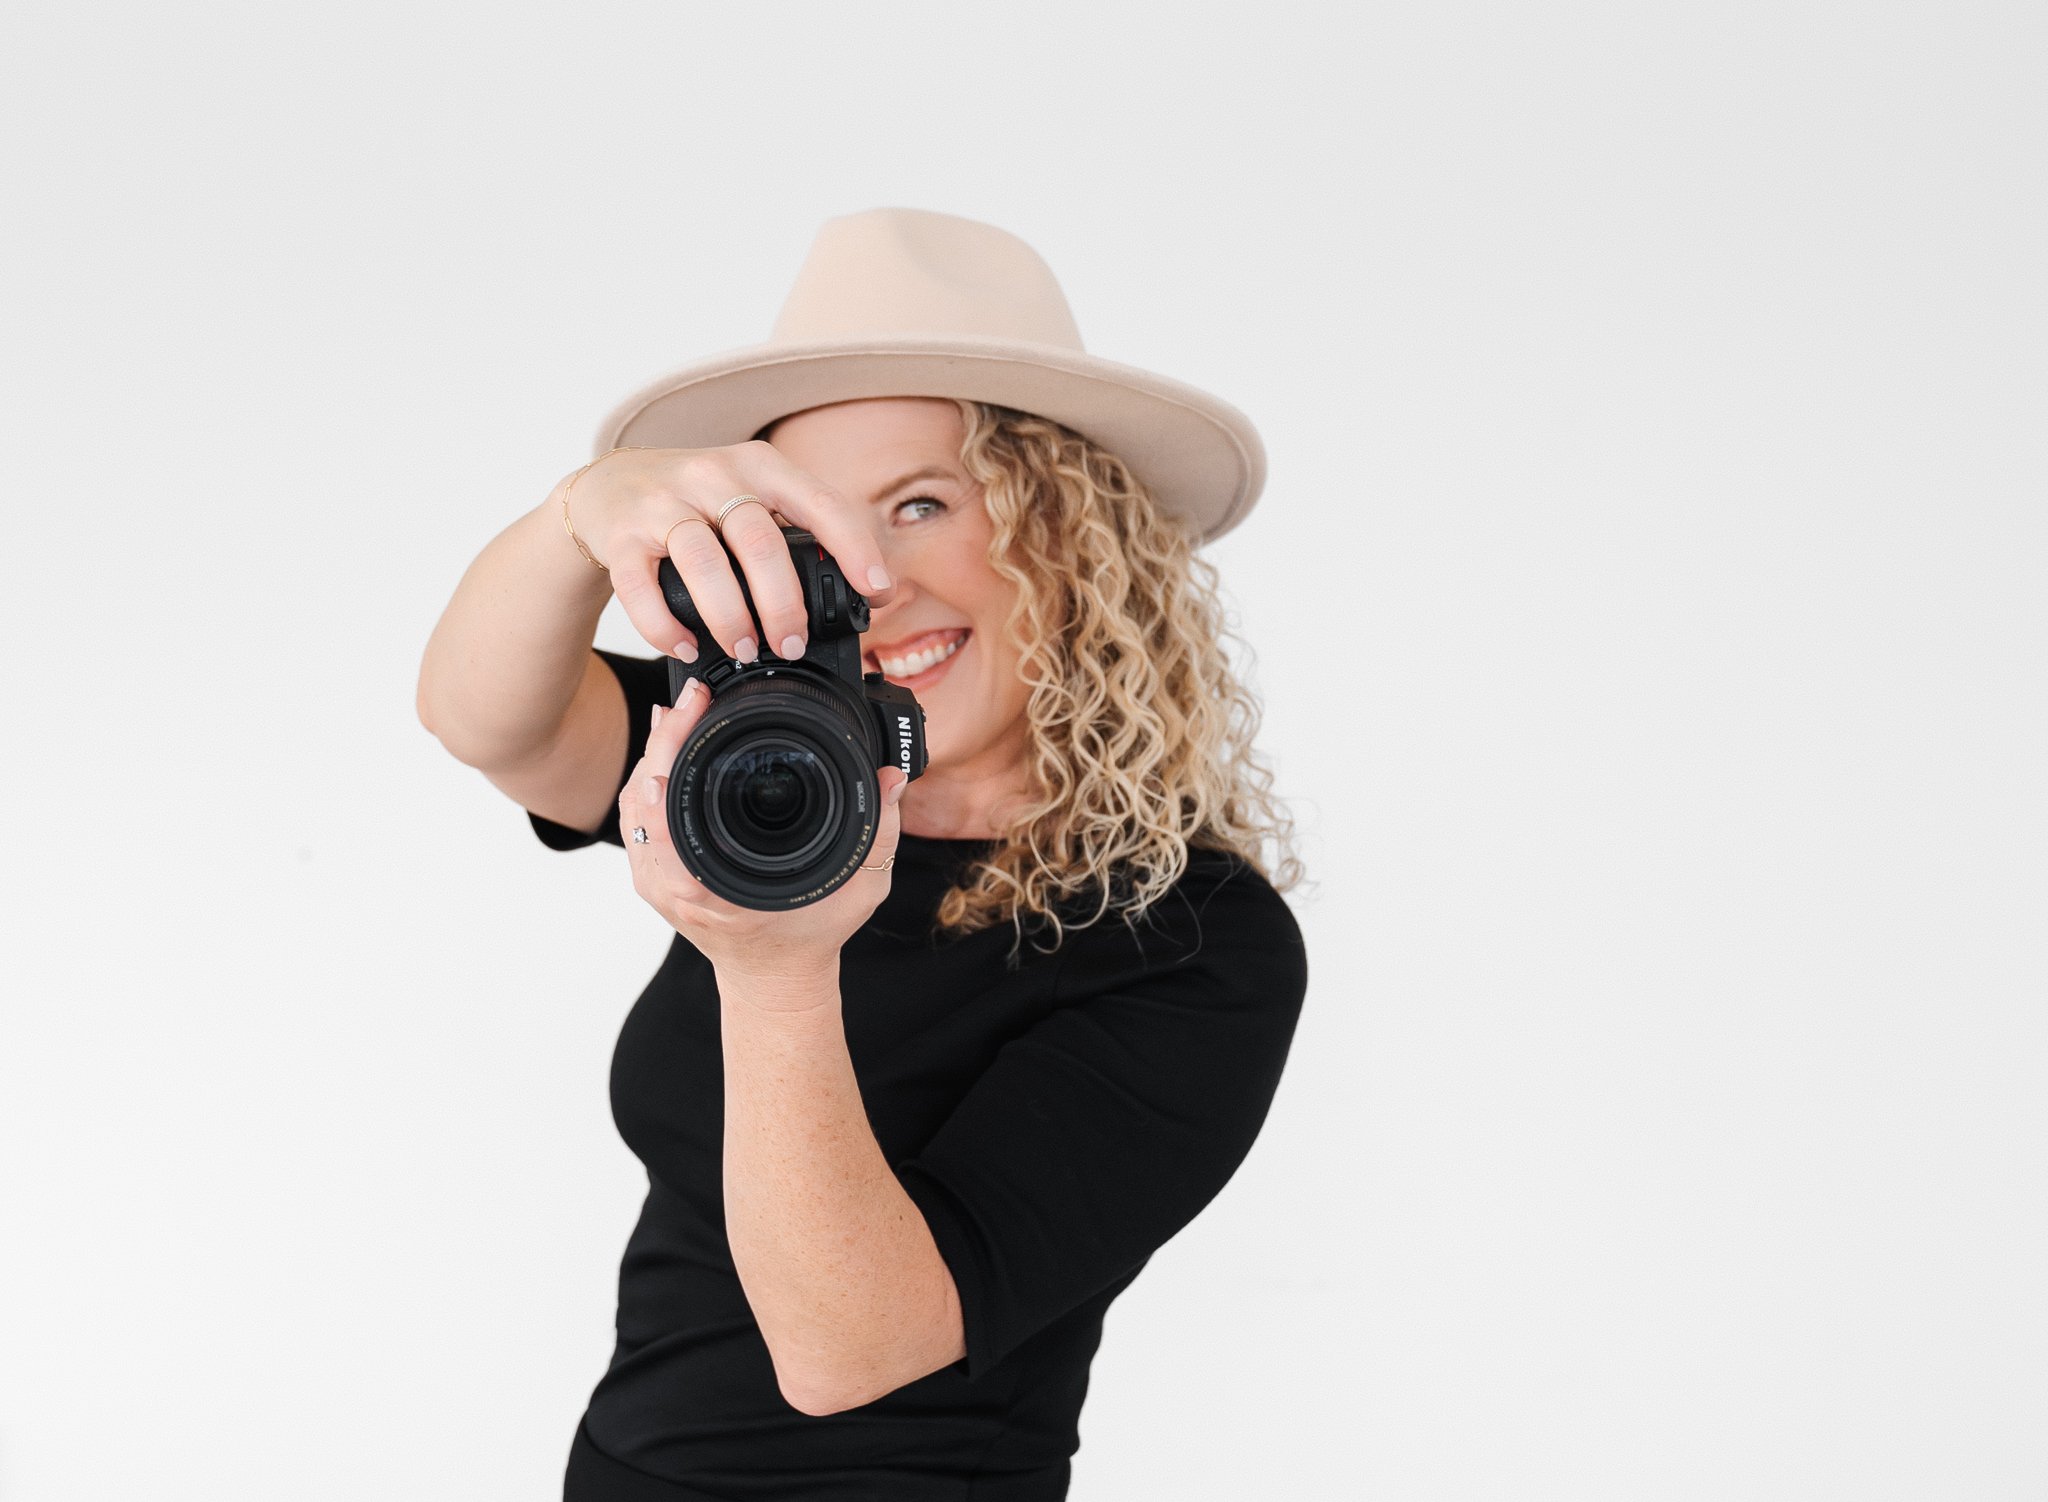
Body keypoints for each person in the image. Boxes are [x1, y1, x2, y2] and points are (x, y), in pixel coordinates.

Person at [417, 207, 1309, 1502]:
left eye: (925, 502)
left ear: (1072, 538)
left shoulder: (1194, 939)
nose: (873, 576)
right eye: (822, 529)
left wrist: (773, 971)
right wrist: (575, 521)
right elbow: (482, 717)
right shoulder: (763, 782)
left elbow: (850, 1348)